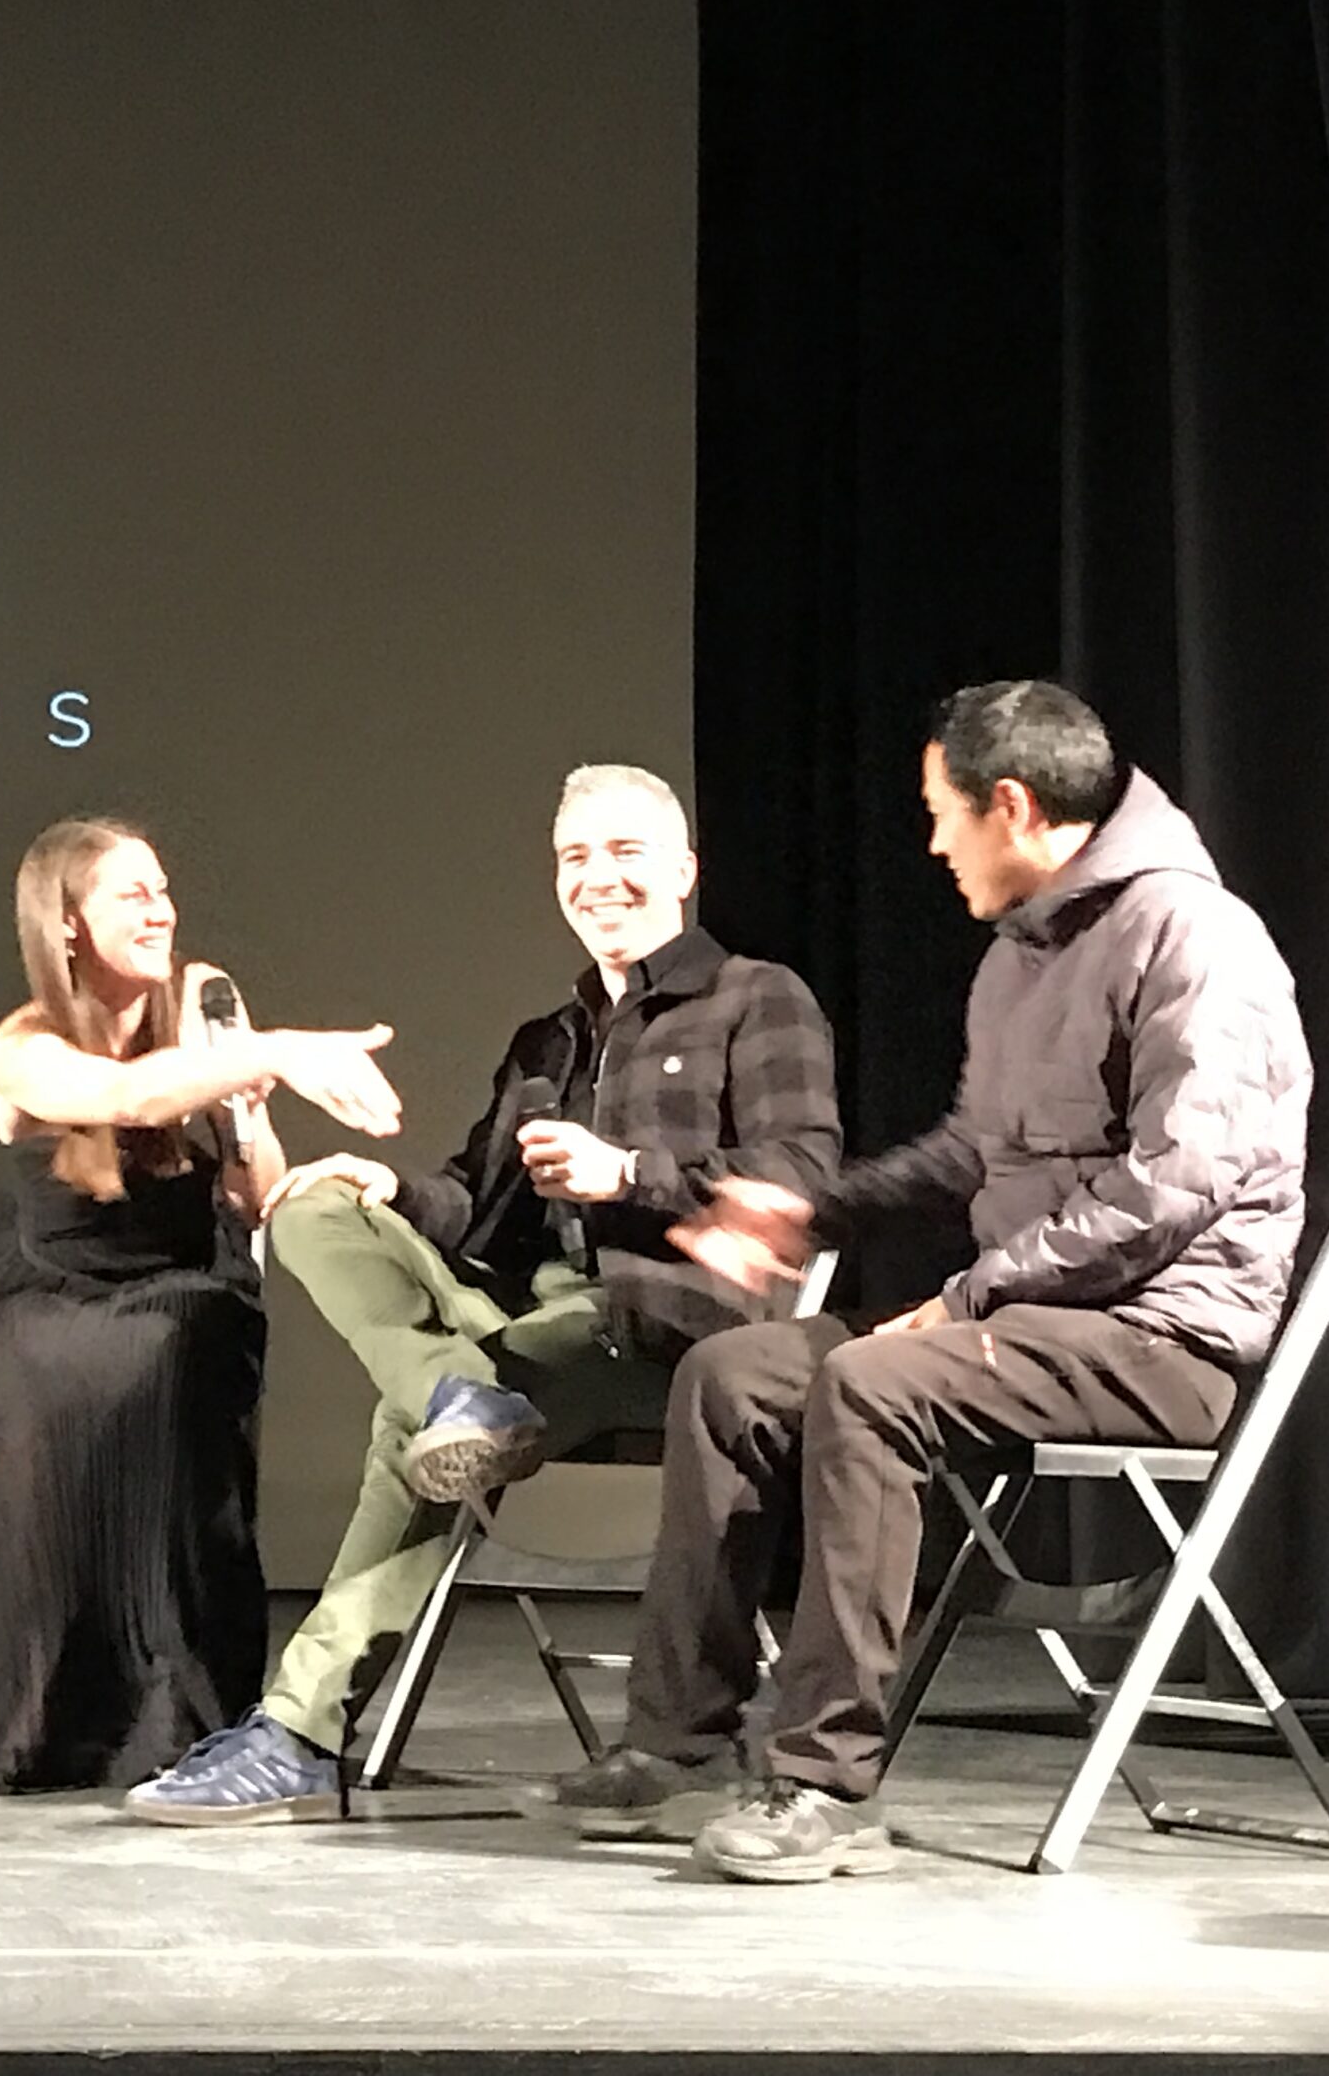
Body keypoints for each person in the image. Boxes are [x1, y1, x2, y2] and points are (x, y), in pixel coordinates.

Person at [544, 680, 1312, 1881]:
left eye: (942, 814)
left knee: (867, 1382)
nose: (932, 842)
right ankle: (680, 1739)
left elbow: (1178, 1182)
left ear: (1009, 807)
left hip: (1164, 1337)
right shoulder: (1019, 959)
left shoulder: (1192, 938)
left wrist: (967, 1298)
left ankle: (821, 1782)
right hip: (1034, 1319)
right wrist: (807, 1207)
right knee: (733, 1372)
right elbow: (970, 1148)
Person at [126, 764, 841, 1824]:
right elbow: (478, 1209)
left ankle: (297, 1730)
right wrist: (396, 1192)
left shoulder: (755, 997)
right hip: (521, 1312)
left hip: (660, 1328)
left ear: (683, 869)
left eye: (623, 852)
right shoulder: (543, 1042)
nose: (596, 878)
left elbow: (808, 1182)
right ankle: (458, 1397)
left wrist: (627, 1174)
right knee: (311, 1208)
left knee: (408, 1421)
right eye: (573, 858)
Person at [0, 816, 406, 1794]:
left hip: (182, 1288)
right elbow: (125, 1100)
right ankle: (20, 1722)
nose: (160, 910)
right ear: (66, 923)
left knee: (181, 1344)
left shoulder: (200, 1007)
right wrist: (277, 1051)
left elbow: (253, 1198)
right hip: (46, 1295)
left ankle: (170, 1719)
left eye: (163, 890)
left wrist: (248, 1112)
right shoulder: (22, 1047)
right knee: (43, 1382)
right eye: (131, 894)